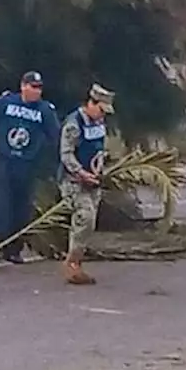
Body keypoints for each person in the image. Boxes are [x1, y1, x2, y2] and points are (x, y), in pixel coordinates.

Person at [0, 71, 59, 264]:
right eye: (33, 86)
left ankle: (15, 249)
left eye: (39, 87)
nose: (37, 91)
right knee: (2, 205)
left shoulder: (45, 110)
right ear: (23, 86)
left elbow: (55, 137)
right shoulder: (7, 102)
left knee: (21, 208)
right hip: (5, 162)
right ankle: (0, 245)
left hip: (27, 165)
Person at [58, 84, 116, 285]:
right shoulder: (74, 123)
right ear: (91, 103)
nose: (102, 116)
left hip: (94, 180)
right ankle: (72, 264)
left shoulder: (99, 124)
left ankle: (77, 261)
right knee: (85, 217)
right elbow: (66, 154)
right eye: (100, 110)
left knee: (88, 225)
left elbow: (100, 148)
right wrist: (81, 173)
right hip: (74, 181)